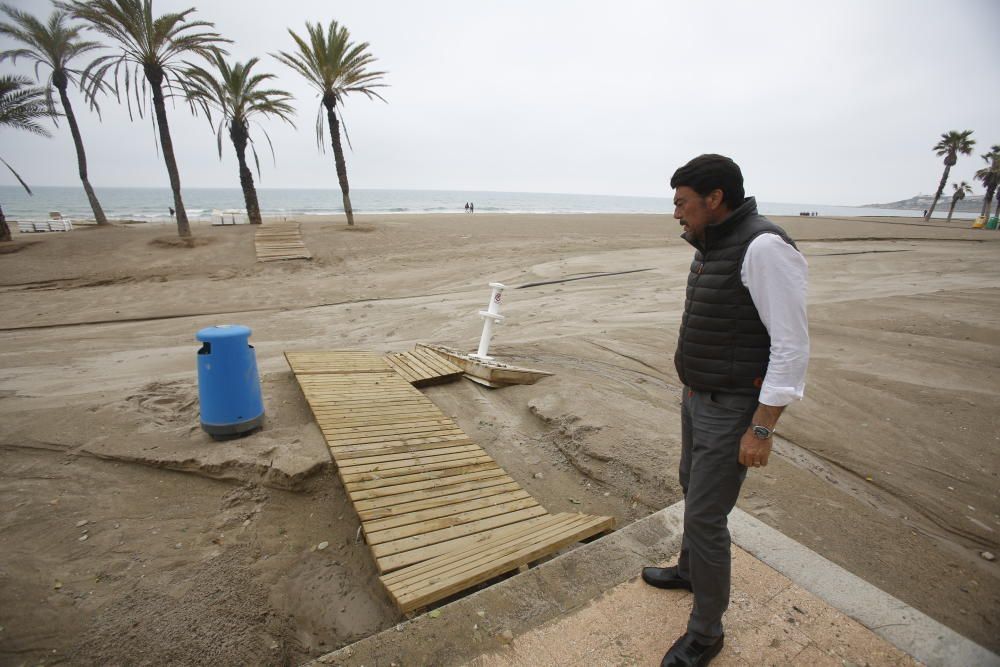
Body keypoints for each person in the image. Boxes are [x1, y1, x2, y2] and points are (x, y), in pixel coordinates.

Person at [643, 154, 809, 667]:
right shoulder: (711, 243)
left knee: (707, 517)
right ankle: (690, 572)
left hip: (732, 406)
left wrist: (761, 427)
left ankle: (706, 631)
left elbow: (791, 345)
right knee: (692, 487)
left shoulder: (763, 246)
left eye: (682, 203)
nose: (676, 213)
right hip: (698, 396)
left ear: (715, 199)